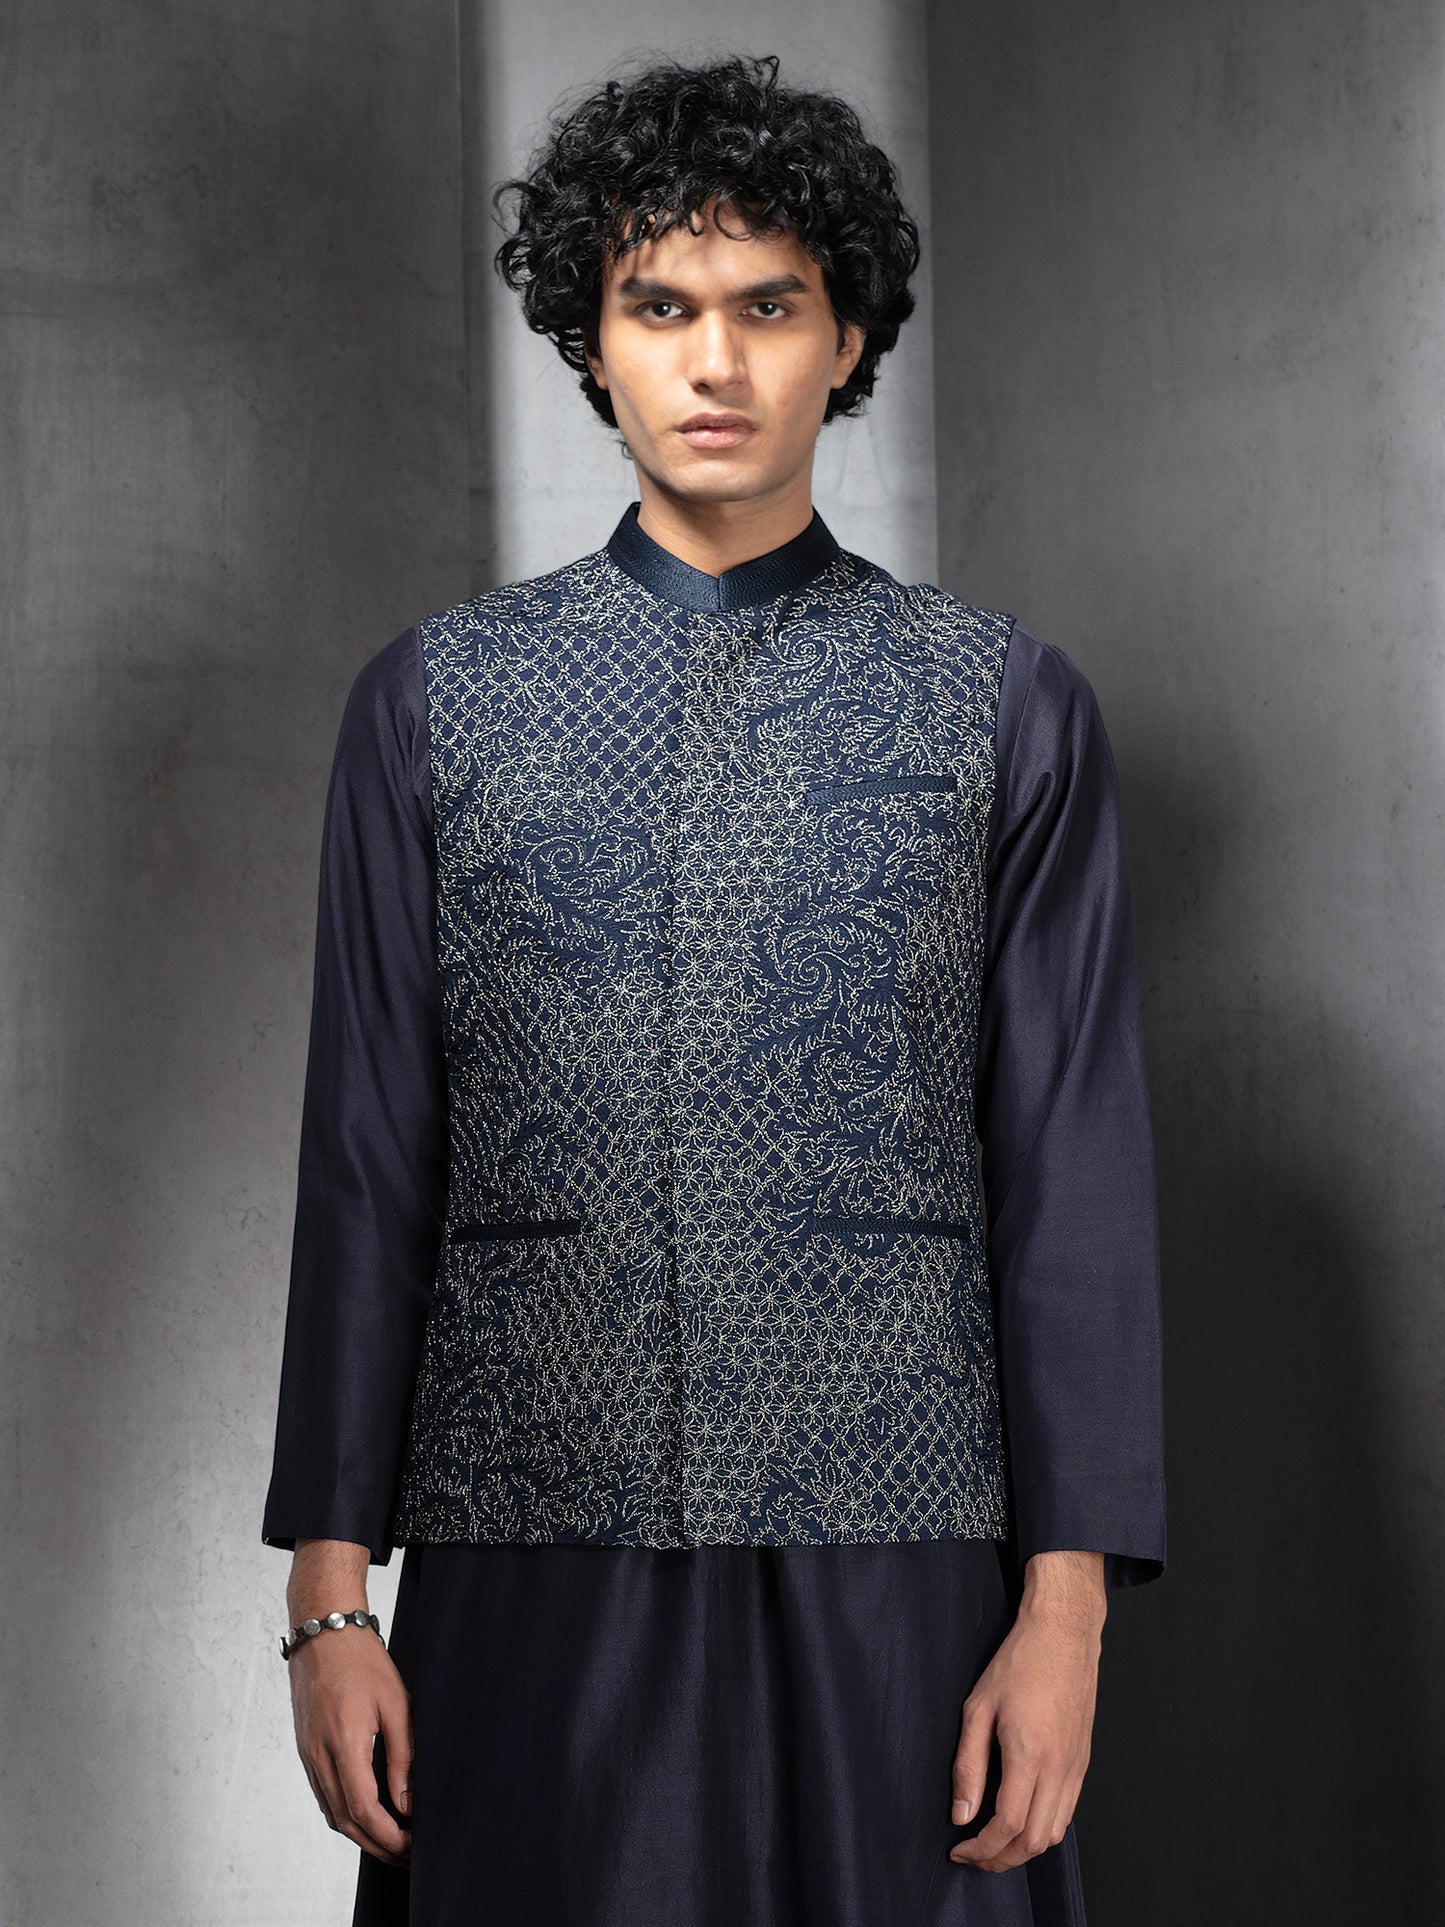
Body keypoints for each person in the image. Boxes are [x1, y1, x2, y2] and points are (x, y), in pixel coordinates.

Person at [261, 52, 1165, 1927]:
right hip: (531, 1535)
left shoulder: (1001, 705)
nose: (715, 362)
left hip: (900, 1550)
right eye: (658, 307)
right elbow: (367, 1156)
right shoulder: (434, 701)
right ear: (593, 346)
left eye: (769, 306)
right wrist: (330, 1596)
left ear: (848, 340)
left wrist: (1064, 1608)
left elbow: (1069, 1176)